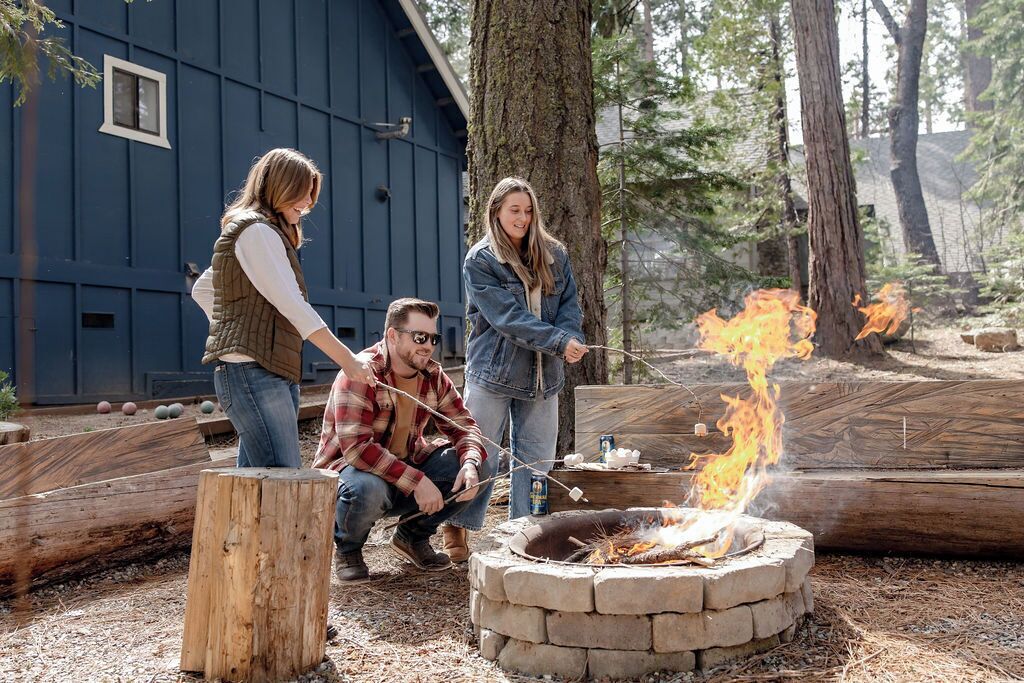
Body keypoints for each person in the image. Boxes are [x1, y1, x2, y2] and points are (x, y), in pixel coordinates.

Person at [192, 148, 374, 469]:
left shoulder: (255, 231)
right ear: (280, 187)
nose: (308, 203)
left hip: (266, 372)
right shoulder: (257, 232)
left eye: (310, 196)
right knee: (283, 478)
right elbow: (292, 305)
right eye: (302, 193)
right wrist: (347, 360)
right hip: (254, 373)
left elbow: (203, 290)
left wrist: (235, 327)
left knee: (254, 486)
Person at [441, 177, 588, 562]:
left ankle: (524, 533)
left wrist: (570, 337)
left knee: (537, 458)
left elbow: (570, 306)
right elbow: (508, 318)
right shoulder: (482, 260)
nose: (523, 218)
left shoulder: (556, 255)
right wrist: (559, 341)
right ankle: (456, 524)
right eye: (514, 210)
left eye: (527, 210)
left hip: (544, 375)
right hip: (493, 372)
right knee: (480, 453)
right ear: (496, 213)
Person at [312, 297, 486, 583]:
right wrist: (418, 481)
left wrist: (469, 462)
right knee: (367, 488)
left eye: (433, 338)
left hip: (403, 467)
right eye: (420, 337)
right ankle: (348, 550)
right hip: (351, 474)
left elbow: (465, 427)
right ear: (392, 335)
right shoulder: (360, 373)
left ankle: (411, 537)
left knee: (478, 470)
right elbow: (357, 449)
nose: (428, 345)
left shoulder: (433, 375)